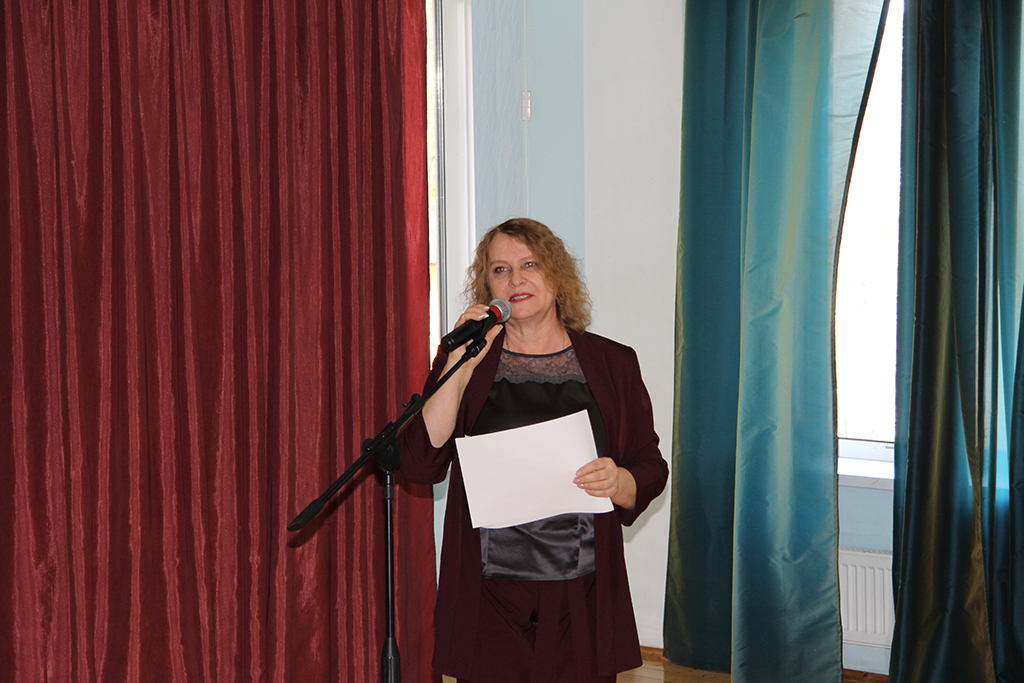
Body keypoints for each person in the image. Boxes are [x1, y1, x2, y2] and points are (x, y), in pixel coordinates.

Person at [399, 218, 668, 683]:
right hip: (489, 593)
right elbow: (421, 460)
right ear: (487, 287)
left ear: (557, 277)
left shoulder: (612, 362)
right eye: (500, 270)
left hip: (581, 591)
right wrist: (459, 364)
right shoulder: (468, 361)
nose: (515, 279)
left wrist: (619, 480)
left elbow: (650, 466)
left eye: (530, 265)